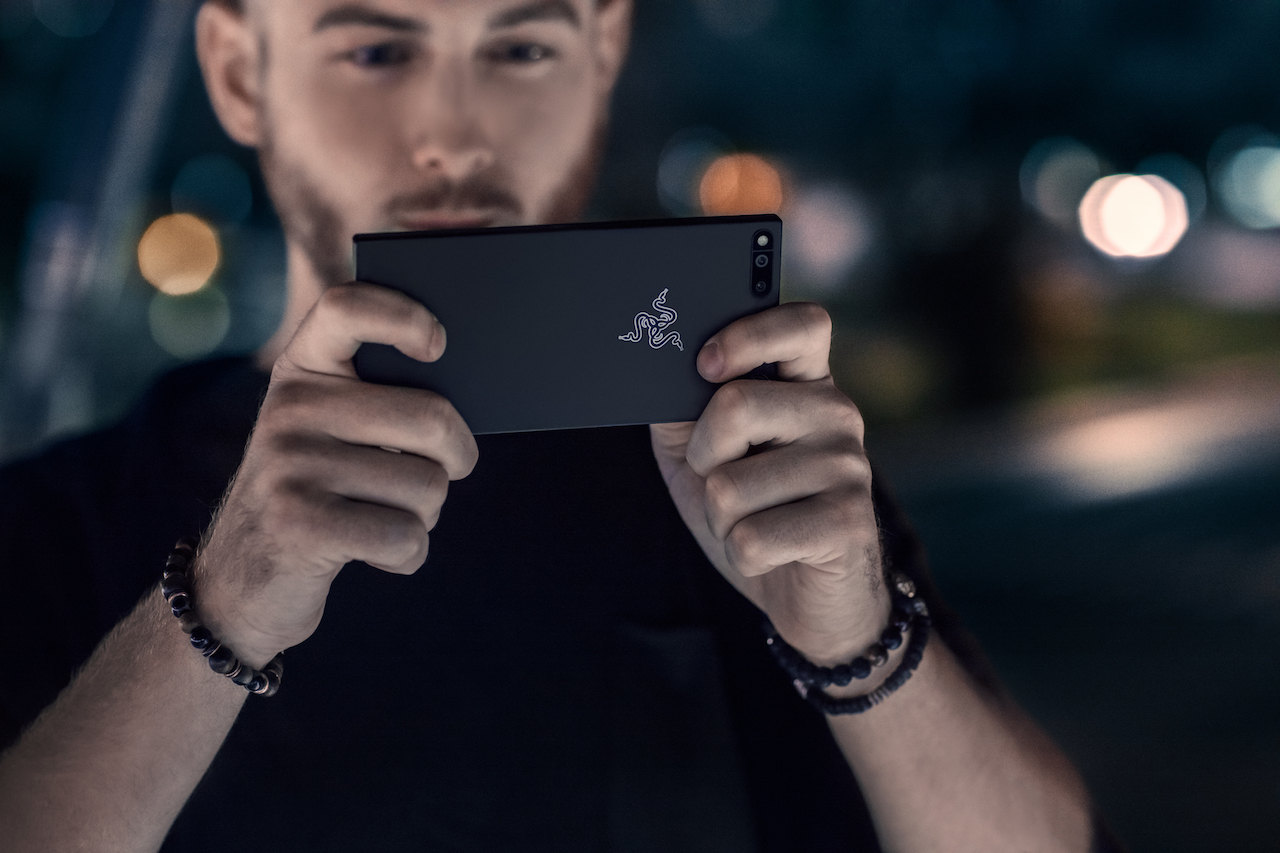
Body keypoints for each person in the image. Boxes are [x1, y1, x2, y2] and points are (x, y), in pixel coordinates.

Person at [0, 1, 1110, 850]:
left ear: (603, 53)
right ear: (241, 70)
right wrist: (222, 606)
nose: (453, 136)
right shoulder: (59, 523)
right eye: (374, 51)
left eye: (522, 47)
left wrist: (857, 642)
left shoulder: (744, 464)